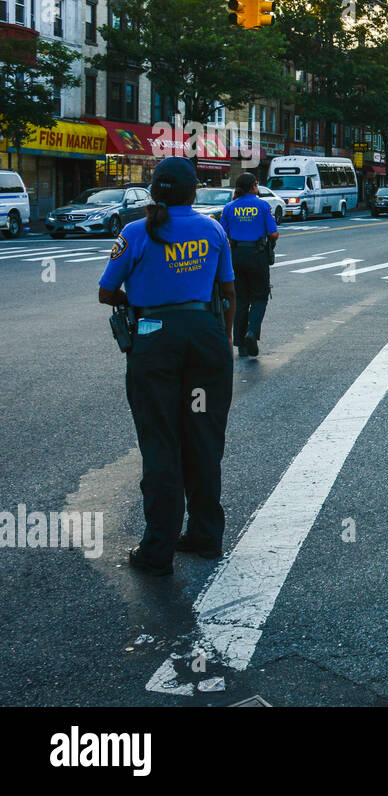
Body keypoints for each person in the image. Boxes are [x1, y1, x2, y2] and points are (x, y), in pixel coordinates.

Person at [97, 156, 236, 576]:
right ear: (194, 191)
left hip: (155, 341)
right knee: (203, 438)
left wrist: (141, 303)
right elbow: (228, 291)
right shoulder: (212, 229)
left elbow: (106, 292)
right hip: (206, 342)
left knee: (161, 441)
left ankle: (158, 550)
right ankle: (206, 536)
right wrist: (223, 340)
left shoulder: (135, 231)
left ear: (154, 190)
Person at [219, 172, 278, 357]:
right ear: (253, 186)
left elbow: (222, 234)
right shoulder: (262, 205)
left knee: (241, 299)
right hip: (257, 255)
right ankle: (252, 332)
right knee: (259, 297)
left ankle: (240, 343)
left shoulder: (229, 207)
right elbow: (273, 233)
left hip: (235, 256)